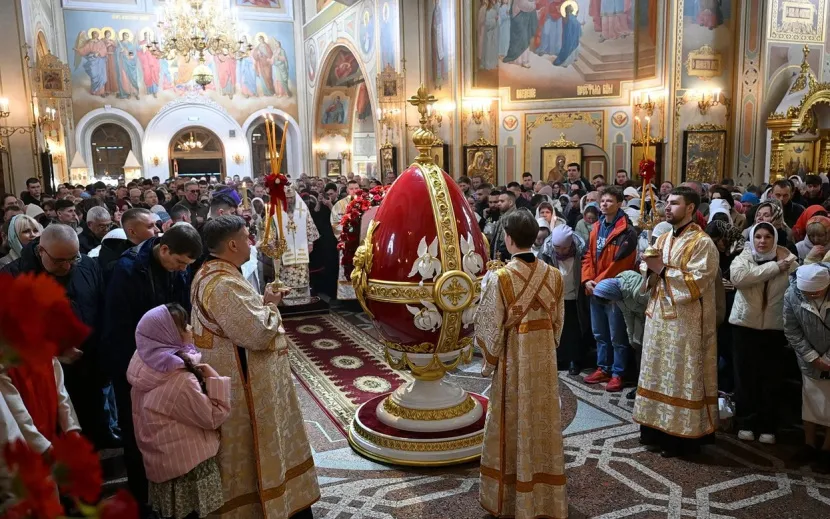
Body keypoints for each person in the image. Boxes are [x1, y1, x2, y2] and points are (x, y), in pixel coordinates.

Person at [192, 216, 320, 518]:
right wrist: (272, 305)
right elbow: (257, 333)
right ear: (233, 244)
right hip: (244, 388)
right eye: (248, 236)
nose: (253, 242)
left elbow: (238, 321)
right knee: (257, 452)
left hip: (237, 375)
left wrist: (261, 301)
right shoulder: (223, 284)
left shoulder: (212, 273)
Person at [102, 223, 203, 514]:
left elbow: (181, 311)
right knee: (138, 431)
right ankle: (141, 496)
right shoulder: (129, 270)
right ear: (164, 249)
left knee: (166, 430)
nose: (181, 269)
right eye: (179, 262)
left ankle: (169, 494)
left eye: (186, 265)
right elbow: (119, 328)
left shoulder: (178, 268)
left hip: (167, 359)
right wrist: (137, 371)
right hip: (133, 363)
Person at [475, 209, 568, 519]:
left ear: (509, 238)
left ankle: (513, 497)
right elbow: (558, 324)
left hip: (514, 364)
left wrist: (489, 360)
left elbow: (488, 326)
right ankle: (544, 498)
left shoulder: (501, 277)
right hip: (543, 363)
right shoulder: (553, 274)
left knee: (513, 422)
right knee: (542, 421)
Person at [1, 224, 115, 450]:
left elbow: (102, 307)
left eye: (74, 258)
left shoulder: (88, 266)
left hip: (89, 362)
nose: (68, 266)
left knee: (94, 420)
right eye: (59, 261)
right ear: (41, 250)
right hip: (45, 374)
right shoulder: (11, 277)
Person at [634, 187, 720, 458]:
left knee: (680, 377)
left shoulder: (703, 243)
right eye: (666, 203)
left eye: (674, 203)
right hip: (658, 317)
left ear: (691, 208)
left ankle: (679, 439)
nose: (667, 208)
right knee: (658, 372)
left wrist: (660, 269)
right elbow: (648, 268)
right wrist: (647, 266)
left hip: (686, 323)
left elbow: (697, 282)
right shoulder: (662, 238)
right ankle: (655, 430)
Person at [129, 303, 232, 519]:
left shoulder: (143, 361)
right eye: (184, 326)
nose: (190, 327)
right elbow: (213, 417)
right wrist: (215, 378)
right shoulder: (179, 379)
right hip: (188, 464)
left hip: (162, 461)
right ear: (167, 336)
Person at [729, 222, 798, 445]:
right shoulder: (744, 258)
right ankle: (746, 422)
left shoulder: (791, 261)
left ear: (775, 239)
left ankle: (768, 425)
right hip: (744, 326)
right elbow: (739, 279)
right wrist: (775, 268)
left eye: (767, 237)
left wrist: (782, 265)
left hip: (774, 328)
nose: (762, 241)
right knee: (745, 378)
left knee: (771, 379)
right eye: (757, 236)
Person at [582, 187, 638, 392]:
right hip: (594, 287)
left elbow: (621, 263)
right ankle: (603, 367)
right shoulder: (596, 227)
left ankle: (618, 373)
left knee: (617, 336)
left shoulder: (627, 231)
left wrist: (597, 282)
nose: (604, 204)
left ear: (620, 203)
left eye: (609, 201)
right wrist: (587, 279)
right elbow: (588, 255)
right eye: (602, 201)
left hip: (614, 289)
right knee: (599, 333)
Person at [784, 263, 830, 473]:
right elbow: (791, 329)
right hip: (808, 359)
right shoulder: (793, 294)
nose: (810, 297)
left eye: (816, 293)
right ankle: (809, 444)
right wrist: (812, 357)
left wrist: (827, 359)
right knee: (810, 401)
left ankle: (827, 449)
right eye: (806, 293)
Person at [541, 224, 587, 376]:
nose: (560, 251)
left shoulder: (581, 250)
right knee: (557, 329)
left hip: (575, 296)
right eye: (557, 247)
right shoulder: (547, 251)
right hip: (555, 297)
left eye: (564, 248)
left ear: (571, 245)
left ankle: (574, 360)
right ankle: (559, 359)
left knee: (574, 329)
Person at [267, 186, 320, 305]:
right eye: (287, 199)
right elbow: (270, 229)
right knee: (285, 277)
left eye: (291, 198)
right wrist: (272, 243)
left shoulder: (302, 210)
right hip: (283, 252)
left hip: (301, 252)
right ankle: (285, 301)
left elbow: (309, 225)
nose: (289, 201)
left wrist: (310, 242)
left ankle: (303, 300)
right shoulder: (275, 212)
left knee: (301, 277)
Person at [489, 190, 517, 262]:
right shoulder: (502, 217)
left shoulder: (514, 218)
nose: (498, 204)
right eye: (498, 201)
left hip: (507, 260)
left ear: (510, 202)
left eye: (502, 201)